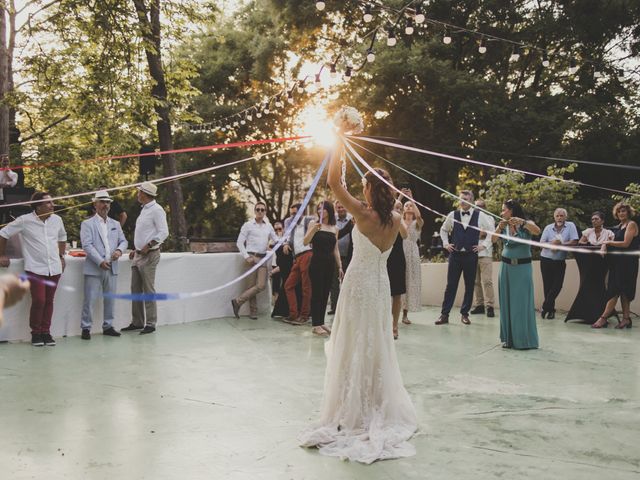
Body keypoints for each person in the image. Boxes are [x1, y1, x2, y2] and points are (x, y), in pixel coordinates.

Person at [299, 144, 417, 464]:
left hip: (358, 285)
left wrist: (338, 143)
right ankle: (375, 400)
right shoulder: (394, 220)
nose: (361, 189)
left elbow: (335, 183)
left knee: (352, 340)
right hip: (380, 287)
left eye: (365, 185)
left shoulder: (362, 214)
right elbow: (407, 237)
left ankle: (354, 407)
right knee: (376, 341)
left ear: (369, 189)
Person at [0, 191, 67, 346]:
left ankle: (46, 332)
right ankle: (36, 334)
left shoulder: (57, 220)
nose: (52, 205)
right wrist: (1, 255)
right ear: (38, 206)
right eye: (49, 203)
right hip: (35, 268)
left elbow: (62, 238)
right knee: (39, 300)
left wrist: (61, 256)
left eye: (52, 202)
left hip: (54, 268)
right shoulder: (24, 220)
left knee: (49, 301)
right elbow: (3, 233)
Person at [437, 190, 494, 326]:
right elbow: (443, 230)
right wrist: (445, 243)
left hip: (470, 255)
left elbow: (492, 230)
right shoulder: (453, 214)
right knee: (451, 285)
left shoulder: (480, 215)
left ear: (471, 201)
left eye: (466, 199)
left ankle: (465, 314)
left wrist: (484, 245)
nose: (463, 201)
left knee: (469, 286)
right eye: (461, 199)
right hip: (455, 255)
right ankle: (444, 315)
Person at [492, 199, 541, 349]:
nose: (502, 213)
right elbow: (493, 240)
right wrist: (499, 228)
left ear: (512, 210)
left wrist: (523, 222)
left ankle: (523, 340)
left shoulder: (525, 223)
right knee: (506, 303)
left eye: (504, 210)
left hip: (522, 268)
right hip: (506, 267)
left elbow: (537, 231)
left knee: (521, 303)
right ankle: (508, 339)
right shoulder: (504, 225)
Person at [79, 190, 128, 340]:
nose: (105, 205)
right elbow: (87, 245)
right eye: (102, 202)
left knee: (110, 298)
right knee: (90, 299)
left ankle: (108, 326)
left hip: (112, 267)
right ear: (95, 204)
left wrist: (119, 251)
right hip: (95, 267)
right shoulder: (87, 224)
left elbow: (124, 241)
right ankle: (86, 328)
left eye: (107, 202)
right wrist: (99, 261)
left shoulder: (115, 224)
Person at [121, 182, 169, 335]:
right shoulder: (144, 210)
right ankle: (137, 322)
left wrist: (148, 245)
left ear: (145, 194)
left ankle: (151, 323)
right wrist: (136, 249)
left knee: (148, 289)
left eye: (139, 191)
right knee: (135, 289)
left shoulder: (157, 210)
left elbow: (164, 232)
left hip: (150, 255)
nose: (137, 193)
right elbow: (145, 232)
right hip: (138, 255)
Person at [592, 203, 639, 329]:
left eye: (623, 211)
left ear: (628, 212)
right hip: (617, 263)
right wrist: (604, 245)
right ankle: (626, 319)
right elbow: (606, 240)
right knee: (621, 291)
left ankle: (603, 318)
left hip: (628, 263)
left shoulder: (631, 225)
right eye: (619, 212)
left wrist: (607, 242)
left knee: (616, 291)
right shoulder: (617, 227)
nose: (621, 213)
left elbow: (625, 244)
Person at [231, 202, 278, 320]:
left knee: (261, 285)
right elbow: (239, 242)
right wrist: (247, 256)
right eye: (258, 209)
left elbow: (276, 239)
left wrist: (286, 241)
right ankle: (253, 312)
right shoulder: (248, 225)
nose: (260, 211)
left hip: (263, 259)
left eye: (262, 210)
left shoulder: (269, 226)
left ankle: (237, 301)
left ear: (265, 212)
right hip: (251, 257)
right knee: (251, 286)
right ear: (255, 211)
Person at [303, 201, 342, 337]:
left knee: (326, 293)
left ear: (329, 211)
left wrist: (340, 266)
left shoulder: (334, 228)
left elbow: (335, 249)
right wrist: (313, 230)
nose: (320, 212)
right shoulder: (314, 224)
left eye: (323, 209)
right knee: (317, 293)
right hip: (317, 262)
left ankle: (321, 322)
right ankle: (315, 324)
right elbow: (305, 242)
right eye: (318, 209)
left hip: (329, 263)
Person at [539, 208, 579, 319]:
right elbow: (541, 243)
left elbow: (574, 241)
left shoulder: (570, 226)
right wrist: (552, 245)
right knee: (547, 286)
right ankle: (550, 311)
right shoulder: (548, 228)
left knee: (557, 286)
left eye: (562, 216)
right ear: (554, 217)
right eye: (557, 216)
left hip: (560, 261)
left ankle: (545, 306)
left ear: (565, 217)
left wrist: (560, 245)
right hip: (546, 259)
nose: (559, 218)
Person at [283, 209, 314, 325]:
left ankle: (304, 316)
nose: (294, 215)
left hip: (308, 254)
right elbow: (287, 238)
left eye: (296, 213)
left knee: (306, 287)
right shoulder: (291, 225)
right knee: (288, 285)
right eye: (292, 213)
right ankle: (293, 314)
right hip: (297, 257)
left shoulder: (308, 221)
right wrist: (285, 243)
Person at [469, 198, 496, 318]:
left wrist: (482, 234)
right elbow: (472, 233)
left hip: (486, 253)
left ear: (484, 207)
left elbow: (491, 234)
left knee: (487, 281)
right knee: (475, 282)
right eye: (475, 206)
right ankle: (479, 305)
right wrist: (480, 233)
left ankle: (490, 306)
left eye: (480, 206)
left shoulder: (490, 219)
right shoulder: (471, 218)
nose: (477, 208)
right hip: (472, 253)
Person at [401, 201, 423, 325]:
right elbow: (394, 209)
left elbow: (419, 217)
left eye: (411, 205)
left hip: (413, 253)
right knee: (399, 281)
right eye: (406, 205)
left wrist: (412, 200)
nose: (409, 206)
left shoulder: (417, 223)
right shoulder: (400, 221)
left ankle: (405, 314)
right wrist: (399, 196)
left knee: (410, 282)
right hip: (400, 251)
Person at [387, 200, 407, 339]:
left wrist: (398, 219)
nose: (399, 209)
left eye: (400, 208)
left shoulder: (401, 222)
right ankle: (385, 324)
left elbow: (405, 235)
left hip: (398, 260)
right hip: (385, 258)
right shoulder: (385, 221)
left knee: (397, 294)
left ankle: (394, 326)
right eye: (396, 207)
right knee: (384, 293)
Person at [328, 200, 352, 313]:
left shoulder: (352, 220)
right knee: (334, 284)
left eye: (342, 207)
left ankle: (347, 308)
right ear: (335, 209)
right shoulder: (332, 221)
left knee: (348, 283)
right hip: (334, 256)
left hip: (349, 256)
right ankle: (334, 308)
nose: (341, 209)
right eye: (338, 207)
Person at [270, 221, 285, 305]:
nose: (278, 231)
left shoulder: (286, 238)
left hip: (283, 264)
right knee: (275, 284)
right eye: (276, 229)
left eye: (280, 229)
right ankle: (276, 301)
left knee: (284, 283)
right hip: (274, 263)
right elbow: (268, 248)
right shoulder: (272, 239)